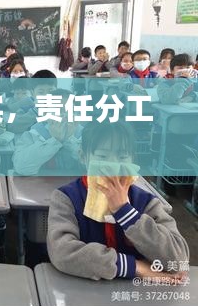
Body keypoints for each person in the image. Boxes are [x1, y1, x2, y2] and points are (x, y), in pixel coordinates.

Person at [47, 121, 189, 281]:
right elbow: (61, 252)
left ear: (133, 159)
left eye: (122, 157)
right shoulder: (66, 198)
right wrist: (134, 267)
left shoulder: (146, 202)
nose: (113, 165)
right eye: (102, 156)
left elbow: (178, 261)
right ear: (82, 156)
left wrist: (125, 212)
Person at [13, 89, 83, 175]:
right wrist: (55, 140)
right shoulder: (34, 134)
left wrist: (70, 140)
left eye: (70, 111)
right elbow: (22, 168)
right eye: (58, 111)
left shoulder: (84, 134)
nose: (64, 116)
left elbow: (93, 166)